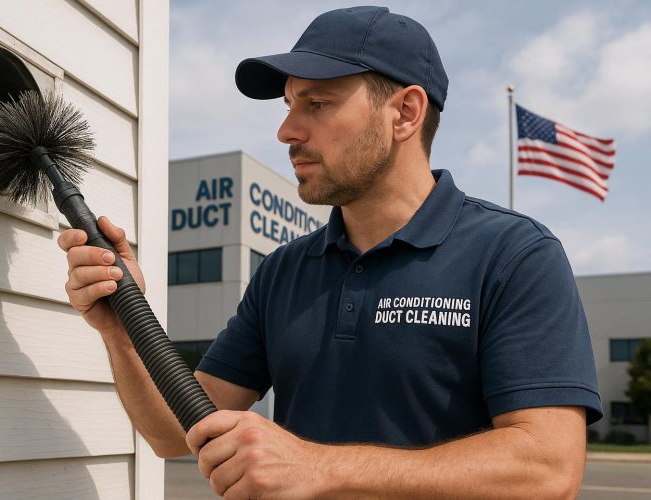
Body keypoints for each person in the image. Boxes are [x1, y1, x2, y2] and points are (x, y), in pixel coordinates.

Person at [58, 6, 602, 498]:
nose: (286, 130)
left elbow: (547, 468)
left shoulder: (514, 255)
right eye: (291, 104)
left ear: (406, 113)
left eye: (318, 104)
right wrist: (119, 326)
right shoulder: (283, 271)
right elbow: (174, 432)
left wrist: (321, 467)